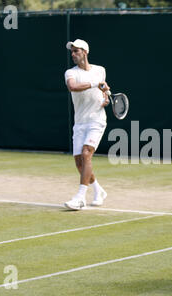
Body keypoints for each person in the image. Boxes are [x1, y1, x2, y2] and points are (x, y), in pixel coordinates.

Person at [64, 39, 110, 210]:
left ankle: (80, 197)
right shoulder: (70, 73)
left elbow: (104, 90)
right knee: (79, 163)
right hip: (80, 122)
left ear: (85, 52)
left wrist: (105, 97)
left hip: (96, 120)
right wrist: (95, 84)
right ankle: (99, 190)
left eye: (76, 51)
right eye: (72, 52)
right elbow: (73, 87)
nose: (73, 54)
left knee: (86, 154)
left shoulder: (100, 70)